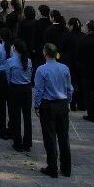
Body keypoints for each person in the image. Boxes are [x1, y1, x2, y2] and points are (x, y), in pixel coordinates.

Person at [33, 42, 72, 178]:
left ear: (45, 53)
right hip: (62, 103)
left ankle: (52, 167)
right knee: (63, 137)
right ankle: (66, 168)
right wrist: (68, 102)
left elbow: (38, 90)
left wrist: (37, 105)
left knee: (50, 137)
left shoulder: (41, 70)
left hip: (48, 105)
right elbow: (69, 88)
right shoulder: (65, 68)